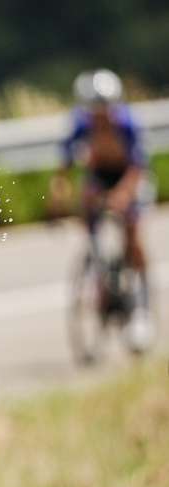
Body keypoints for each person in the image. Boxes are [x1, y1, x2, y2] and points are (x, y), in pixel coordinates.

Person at [50, 69, 154, 348]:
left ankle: (142, 309)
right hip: (99, 176)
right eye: (95, 111)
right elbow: (66, 163)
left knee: (132, 231)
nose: (100, 116)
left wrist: (122, 196)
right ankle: (99, 274)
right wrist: (59, 194)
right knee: (89, 209)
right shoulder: (81, 125)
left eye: (104, 110)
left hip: (128, 177)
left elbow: (138, 167)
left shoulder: (127, 124)